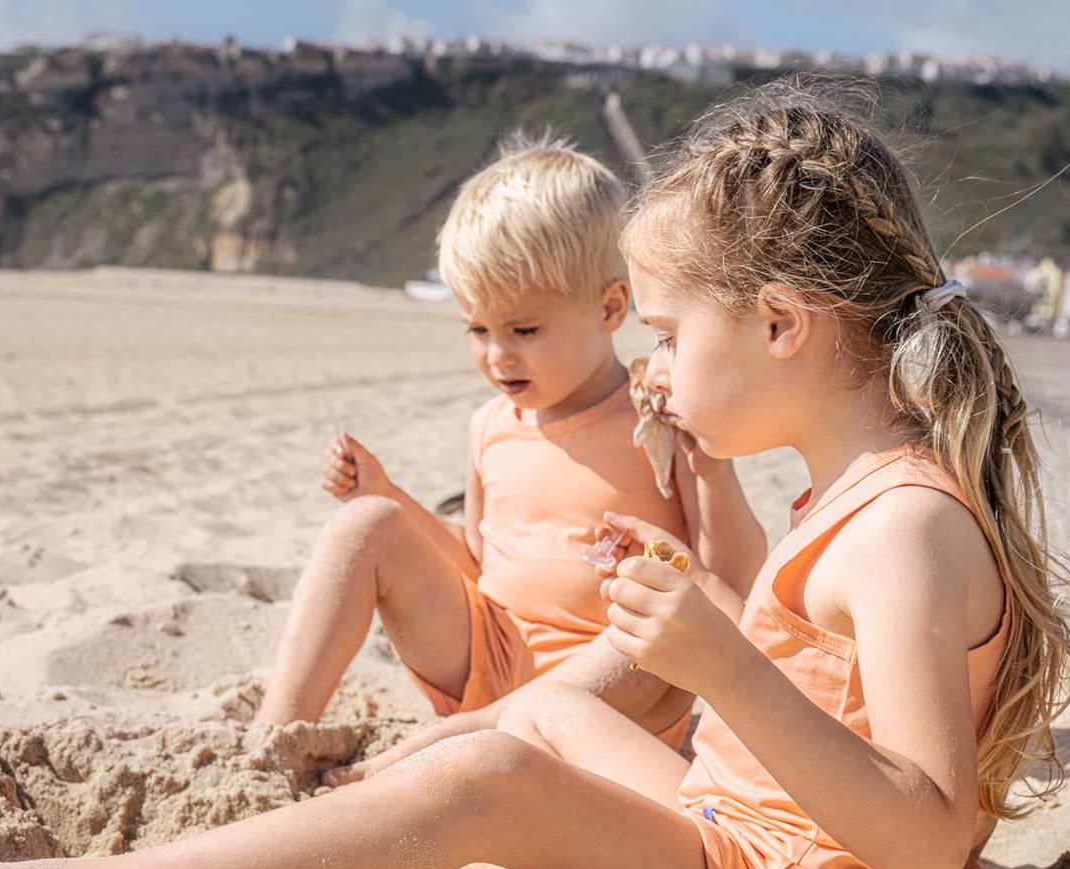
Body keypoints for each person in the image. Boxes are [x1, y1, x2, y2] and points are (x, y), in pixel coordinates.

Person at [0, 90, 1070, 869]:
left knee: (490, 785)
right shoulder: (862, 493)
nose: (655, 365)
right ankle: (384, 796)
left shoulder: (903, 528)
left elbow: (927, 840)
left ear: (784, 326)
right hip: (749, 836)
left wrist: (722, 665)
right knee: (539, 721)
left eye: (670, 334)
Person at [251, 132, 763, 743]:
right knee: (365, 524)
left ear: (609, 309)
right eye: (477, 330)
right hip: (489, 659)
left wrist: (713, 474)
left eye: (524, 330)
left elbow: (727, 581)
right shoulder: (490, 425)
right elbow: (475, 558)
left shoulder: (656, 417)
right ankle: (273, 734)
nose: (497, 356)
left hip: (612, 686)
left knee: (652, 620)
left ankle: (491, 734)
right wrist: (384, 493)